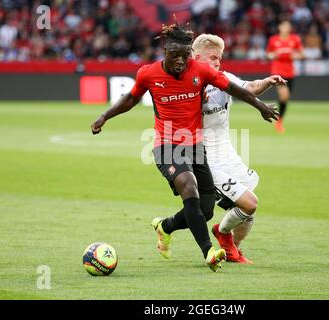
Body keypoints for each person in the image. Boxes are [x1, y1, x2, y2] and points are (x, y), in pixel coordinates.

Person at [90, 21, 279, 272]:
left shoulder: (203, 72)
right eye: (174, 55)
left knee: (206, 210)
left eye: (184, 56)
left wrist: (262, 106)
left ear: (191, 56)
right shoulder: (148, 73)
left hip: (196, 147)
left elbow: (238, 89)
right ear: (165, 53)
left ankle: (165, 226)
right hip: (167, 145)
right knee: (190, 188)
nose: (180, 61)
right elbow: (131, 99)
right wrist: (104, 116)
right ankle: (209, 251)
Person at [192, 33, 287, 264]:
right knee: (249, 203)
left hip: (227, 153)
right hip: (204, 158)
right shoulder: (186, 84)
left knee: (248, 208)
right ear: (196, 57)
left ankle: (234, 247)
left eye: (220, 58)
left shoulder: (223, 78)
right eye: (213, 58)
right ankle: (223, 235)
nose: (217, 63)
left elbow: (249, 88)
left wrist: (267, 81)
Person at [266, 20, 304, 133]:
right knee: (284, 94)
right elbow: (268, 54)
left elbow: (302, 54)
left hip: (290, 73)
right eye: (283, 26)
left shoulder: (295, 39)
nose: (285, 28)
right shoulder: (273, 40)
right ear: (279, 27)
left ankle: (279, 120)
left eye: (287, 26)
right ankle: (278, 121)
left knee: (285, 98)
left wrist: (294, 56)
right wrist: (274, 55)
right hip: (277, 72)